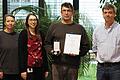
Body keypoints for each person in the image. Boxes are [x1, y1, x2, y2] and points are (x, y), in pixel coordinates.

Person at [44, 2, 90, 80]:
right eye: (64, 10)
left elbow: (86, 46)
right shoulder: (54, 27)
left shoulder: (79, 28)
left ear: (72, 13)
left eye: (68, 11)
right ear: (61, 12)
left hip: (73, 65)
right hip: (57, 64)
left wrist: (78, 52)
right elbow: (47, 43)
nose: (66, 13)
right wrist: (52, 51)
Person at [92, 3, 120, 80]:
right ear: (103, 14)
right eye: (105, 12)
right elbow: (94, 48)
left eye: (110, 12)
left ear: (114, 14)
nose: (108, 15)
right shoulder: (97, 30)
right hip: (101, 68)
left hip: (116, 68)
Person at [18, 13, 49, 80]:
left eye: (35, 20)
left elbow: (43, 51)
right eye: (31, 20)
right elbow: (21, 52)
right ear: (27, 22)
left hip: (40, 67)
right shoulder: (23, 34)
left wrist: (46, 69)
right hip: (28, 67)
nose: (33, 22)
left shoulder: (41, 33)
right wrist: (22, 70)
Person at [0, 14, 20, 80]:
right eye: (8, 21)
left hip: (17, 72)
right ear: (5, 23)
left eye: (12, 21)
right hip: (3, 72)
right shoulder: (0, 35)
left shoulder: (19, 36)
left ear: (15, 22)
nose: (10, 23)